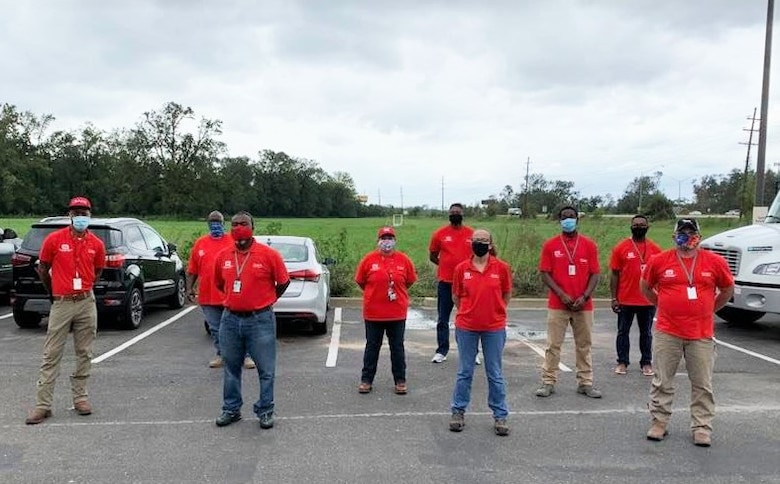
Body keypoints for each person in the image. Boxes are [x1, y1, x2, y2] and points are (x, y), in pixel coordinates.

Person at [640, 218, 734, 447]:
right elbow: (645, 286)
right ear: (674, 235)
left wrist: (709, 308)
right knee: (662, 380)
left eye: (691, 232)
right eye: (682, 232)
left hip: (700, 333)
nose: (687, 236)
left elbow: (727, 288)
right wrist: (663, 304)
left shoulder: (715, 261)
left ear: (698, 236)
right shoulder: (659, 260)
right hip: (667, 331)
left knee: (702, 383)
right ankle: (659, 422)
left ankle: (701, 427)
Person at [25, 196, 106, 425]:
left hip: (86, 302)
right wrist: (55, 291)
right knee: (51, 353)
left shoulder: (96, 244)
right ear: (69, 215)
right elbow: (43, 268)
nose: (80, 216)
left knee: (85, 351)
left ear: (90, 215)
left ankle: (80, 397)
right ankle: (43, 405)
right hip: (61, 302)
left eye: (84, 212)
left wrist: (86, 287)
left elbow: (98, 270)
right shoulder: (54, 240)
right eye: (76, 212)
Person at [212, 212, 290, 429]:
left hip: (260, 320)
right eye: (235, 225)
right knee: (231, 368)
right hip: (230, 320)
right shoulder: (224, 256)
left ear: (252, 227)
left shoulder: (268, 255)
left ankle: (265, 410)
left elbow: (283, 282)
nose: (239, 228)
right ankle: (231, 409)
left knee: (266, 369)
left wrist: (266, 300)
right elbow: (220, 284)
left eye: (243, 224)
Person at [448, 229, 513, 436]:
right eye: (477, 240)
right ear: (471, 243)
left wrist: (494, 311)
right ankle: (458, 411)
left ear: (491, 244)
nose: (480, 243)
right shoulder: (461, 268)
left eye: (484, 240)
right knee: (465, 372)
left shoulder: (501, 268)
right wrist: (469, 312)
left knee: (494, 373)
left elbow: (506, 294)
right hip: (467, 326)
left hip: (494, 327)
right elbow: (456, 296)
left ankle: (500, 415)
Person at [535, 206, 602, 399]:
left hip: (584, 305)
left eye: (571, 217)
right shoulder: (551, 245)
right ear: (559, 220)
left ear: (577, 219)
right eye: (564, 217)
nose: (568, 220)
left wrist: (585, 296)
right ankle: (548, 381)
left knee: (584, 345)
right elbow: (545, 273)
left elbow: (595, 273)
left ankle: (585, 382)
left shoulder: (589, 245)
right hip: (558, 304)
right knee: (553, 345)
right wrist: (561, 294)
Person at [186, 211, 255, 370]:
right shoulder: (200, 244)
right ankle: (221, 354)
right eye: (212, 222)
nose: (215, 225)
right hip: (207, 296)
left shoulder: (233, 241)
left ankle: (246, 356)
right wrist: (189, 288)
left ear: (224, 224)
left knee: (237, 327)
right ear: (208, 224)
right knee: (216, 329)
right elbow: (192, 270)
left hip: (230, 294)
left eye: (218, 221)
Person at [354, 226, 417, 395]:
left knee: (397, 347)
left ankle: (400, 380)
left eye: (390, 237)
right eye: (384, 237)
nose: (387, 241)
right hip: (373, 313)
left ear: (395, 241)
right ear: (378, 240)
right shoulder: (368, 260)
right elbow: (360, 281)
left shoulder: (404, 260)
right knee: (372, 347)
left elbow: (410, 281)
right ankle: (366, 380)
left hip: (396, 313)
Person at [609, 214, 662, 376]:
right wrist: (614, 298)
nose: (639, 227)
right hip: (625, 299)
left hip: (647, 301)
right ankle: (622, 362)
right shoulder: (621, 248)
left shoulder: (655, 249)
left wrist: (659, 297)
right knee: (622, 332)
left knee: (646, 333)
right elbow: (614, 274)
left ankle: (646, 362)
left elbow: (660, 276)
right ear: (631, 227)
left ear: (648, 227)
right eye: (636, 224)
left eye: (642, 224)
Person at [429, 203, 475, 364]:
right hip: (446, 282)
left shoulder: (471, 234)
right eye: (452, 212)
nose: (455, 214)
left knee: (469, 318)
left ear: (463, 214)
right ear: (449, 215)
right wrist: (445, 265)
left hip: (467, 283)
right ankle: (442, 351)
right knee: (443, 318)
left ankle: (472, 352)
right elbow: (433, 255)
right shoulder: (440, 234)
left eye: (458, 212)